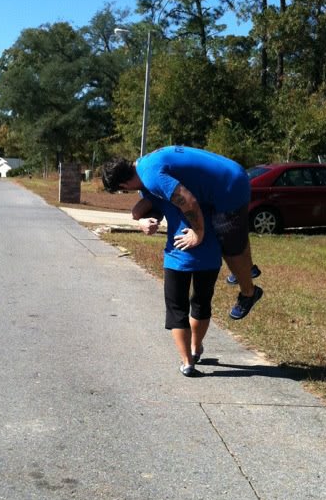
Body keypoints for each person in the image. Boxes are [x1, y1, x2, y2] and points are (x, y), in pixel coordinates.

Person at [102, 146, 262, 321]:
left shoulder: (152, 177)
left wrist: (198, 233)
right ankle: (247, 268)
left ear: (124, 184)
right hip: (232, 172)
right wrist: (141, 219)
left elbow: (188, 202)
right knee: (235, 235)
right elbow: (149, 203)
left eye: (123, 190)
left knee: (229, 241)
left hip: (230, 187)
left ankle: (249, 292)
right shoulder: (144, 165)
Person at [131, 190, 221, 377]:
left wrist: (141, 220)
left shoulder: (165, 188)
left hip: (177, 257)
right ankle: (195, 349)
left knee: (177, 308)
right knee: (201, 302)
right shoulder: (207, 183)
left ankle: (187, 362)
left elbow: (137, 211)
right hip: (210, 255)